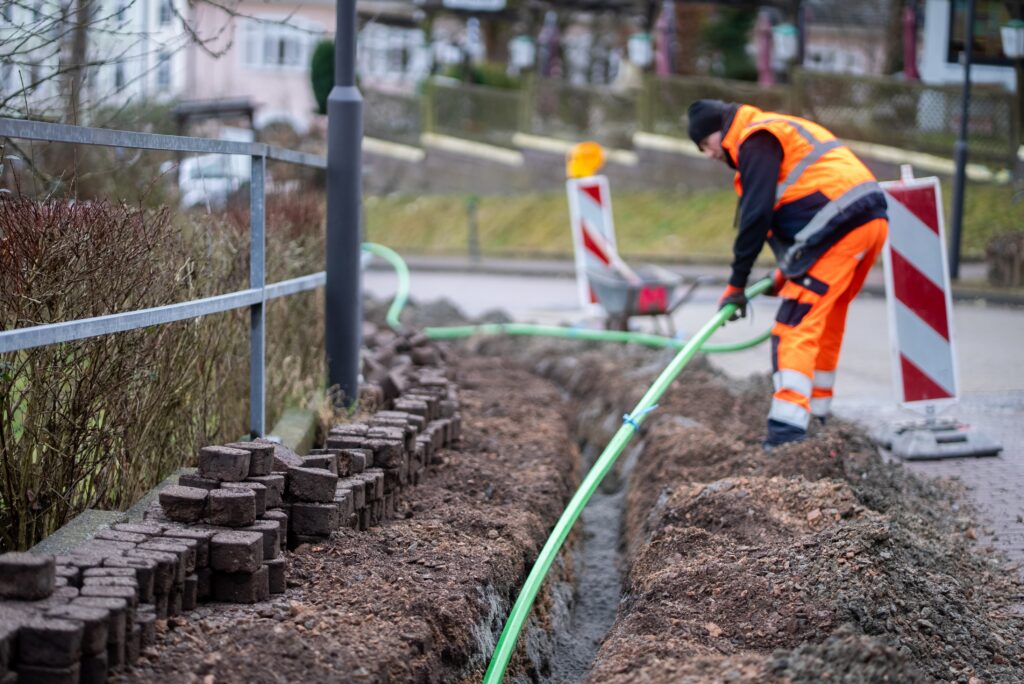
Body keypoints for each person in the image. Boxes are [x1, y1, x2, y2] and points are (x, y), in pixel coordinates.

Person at [687, 99, 888, 449]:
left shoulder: (755, 138)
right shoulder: (774, 130)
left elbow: (756, 216)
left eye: (706, 144)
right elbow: (801, 207)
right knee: (823, 322)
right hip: (866, 220)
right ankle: (819, 418)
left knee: (793, 326)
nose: (708, 154)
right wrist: (785, 274)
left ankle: (786, 435)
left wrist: (737, 282)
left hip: (839, 225)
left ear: (720, 131)